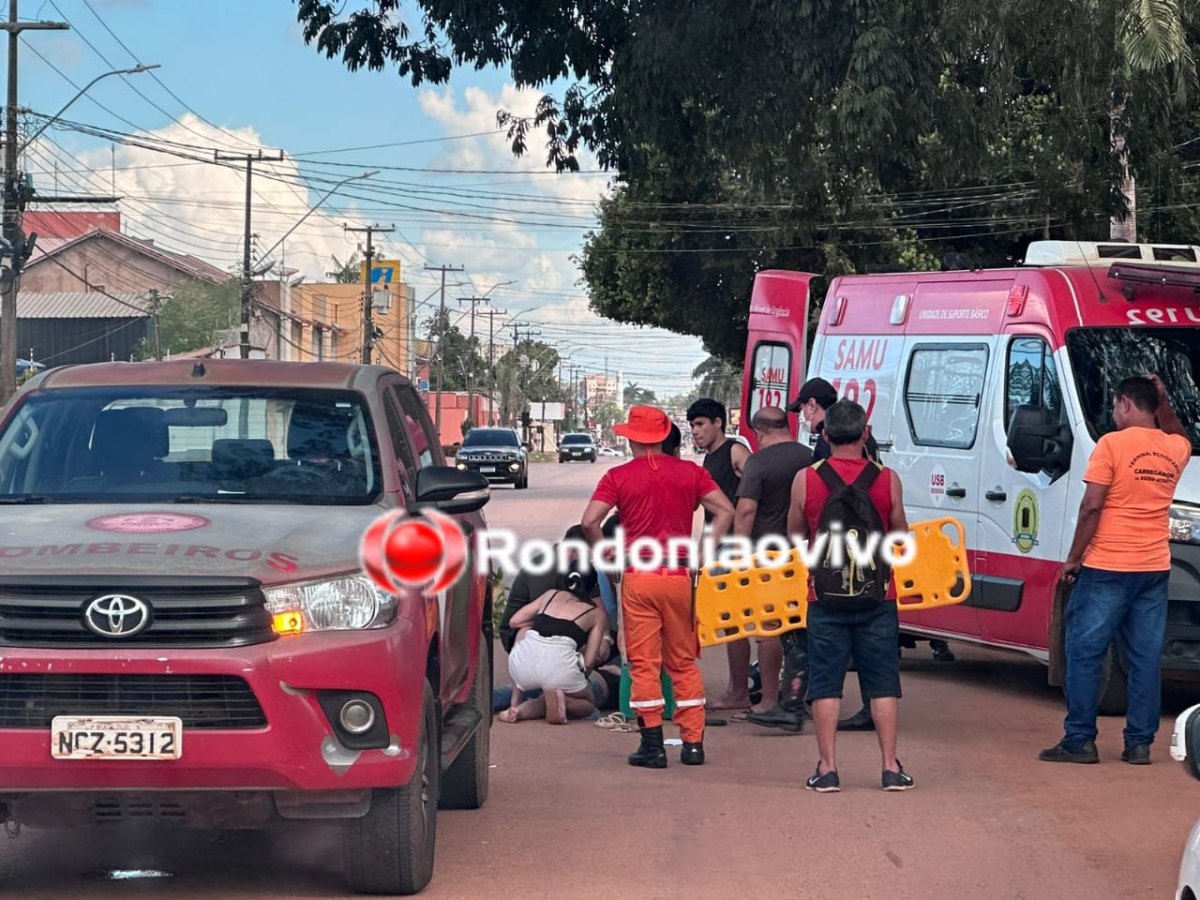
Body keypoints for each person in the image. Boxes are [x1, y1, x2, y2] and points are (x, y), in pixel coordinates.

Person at [1039, 374, 1192, 765]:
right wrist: (1163, 401)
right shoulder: (1175, 448)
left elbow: (1091, 506)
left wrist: (1074, 558)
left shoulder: (1111, 444)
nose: (1113, 413)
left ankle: (1080, 740)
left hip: (1107, 564)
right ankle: (1139, 744)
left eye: (1114, 406)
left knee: (1084, 651)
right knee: (1144, 658)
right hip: (1154, 567)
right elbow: (1176, 431)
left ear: (1124, 403)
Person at [582, 405, 734, 768]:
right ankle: (693, 744)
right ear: (666, 435)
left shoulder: (618, 476)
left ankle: (652, 746)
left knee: (644, 664)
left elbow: (589, 521)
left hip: (639, 576)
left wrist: (607, 560)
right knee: (683, 662)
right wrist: (704, 553)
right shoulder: (690, 473)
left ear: (631, 438)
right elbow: (726, 510)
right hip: (680, 577)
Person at [787, 399, 913, 792]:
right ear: (866, 433)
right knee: (882, 682)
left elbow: (794, 536)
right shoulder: (887, 478)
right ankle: (890, 767)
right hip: (879, 597)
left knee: (825, 682)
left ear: (824, 435)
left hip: (822, 596)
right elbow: (899, 536)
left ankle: (827, 769)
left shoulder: (806, 479)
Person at [729, 406, 813, 729]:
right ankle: (799, 696)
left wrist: (737, 554)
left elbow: (746, 511)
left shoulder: (759, 463)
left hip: (766, 557)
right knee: (798, 628)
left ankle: (768, 700)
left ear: (759, 432)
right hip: (803, 553)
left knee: (768, 630)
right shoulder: (808, 457)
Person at [687, 398, 753, 710]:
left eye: (700, 424)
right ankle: (737, 689)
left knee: (737, 620)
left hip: (737, 549)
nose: (695, 432)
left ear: (717, 422)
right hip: (717, 547)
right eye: (692, 426)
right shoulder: (709, 460)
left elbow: (755, 493)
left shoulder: (735, 451)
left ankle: (739, 692)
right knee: (728, 621)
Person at [500, 566, 611, 724]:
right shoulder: (596, 614)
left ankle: (516, 707)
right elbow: (589, 662)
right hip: (560, 669)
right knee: (588, 704)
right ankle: (564, 701)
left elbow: (514, 621)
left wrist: (542, 621)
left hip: (522, 668)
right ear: (593, 586)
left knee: (524, 631)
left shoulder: (550, 595)